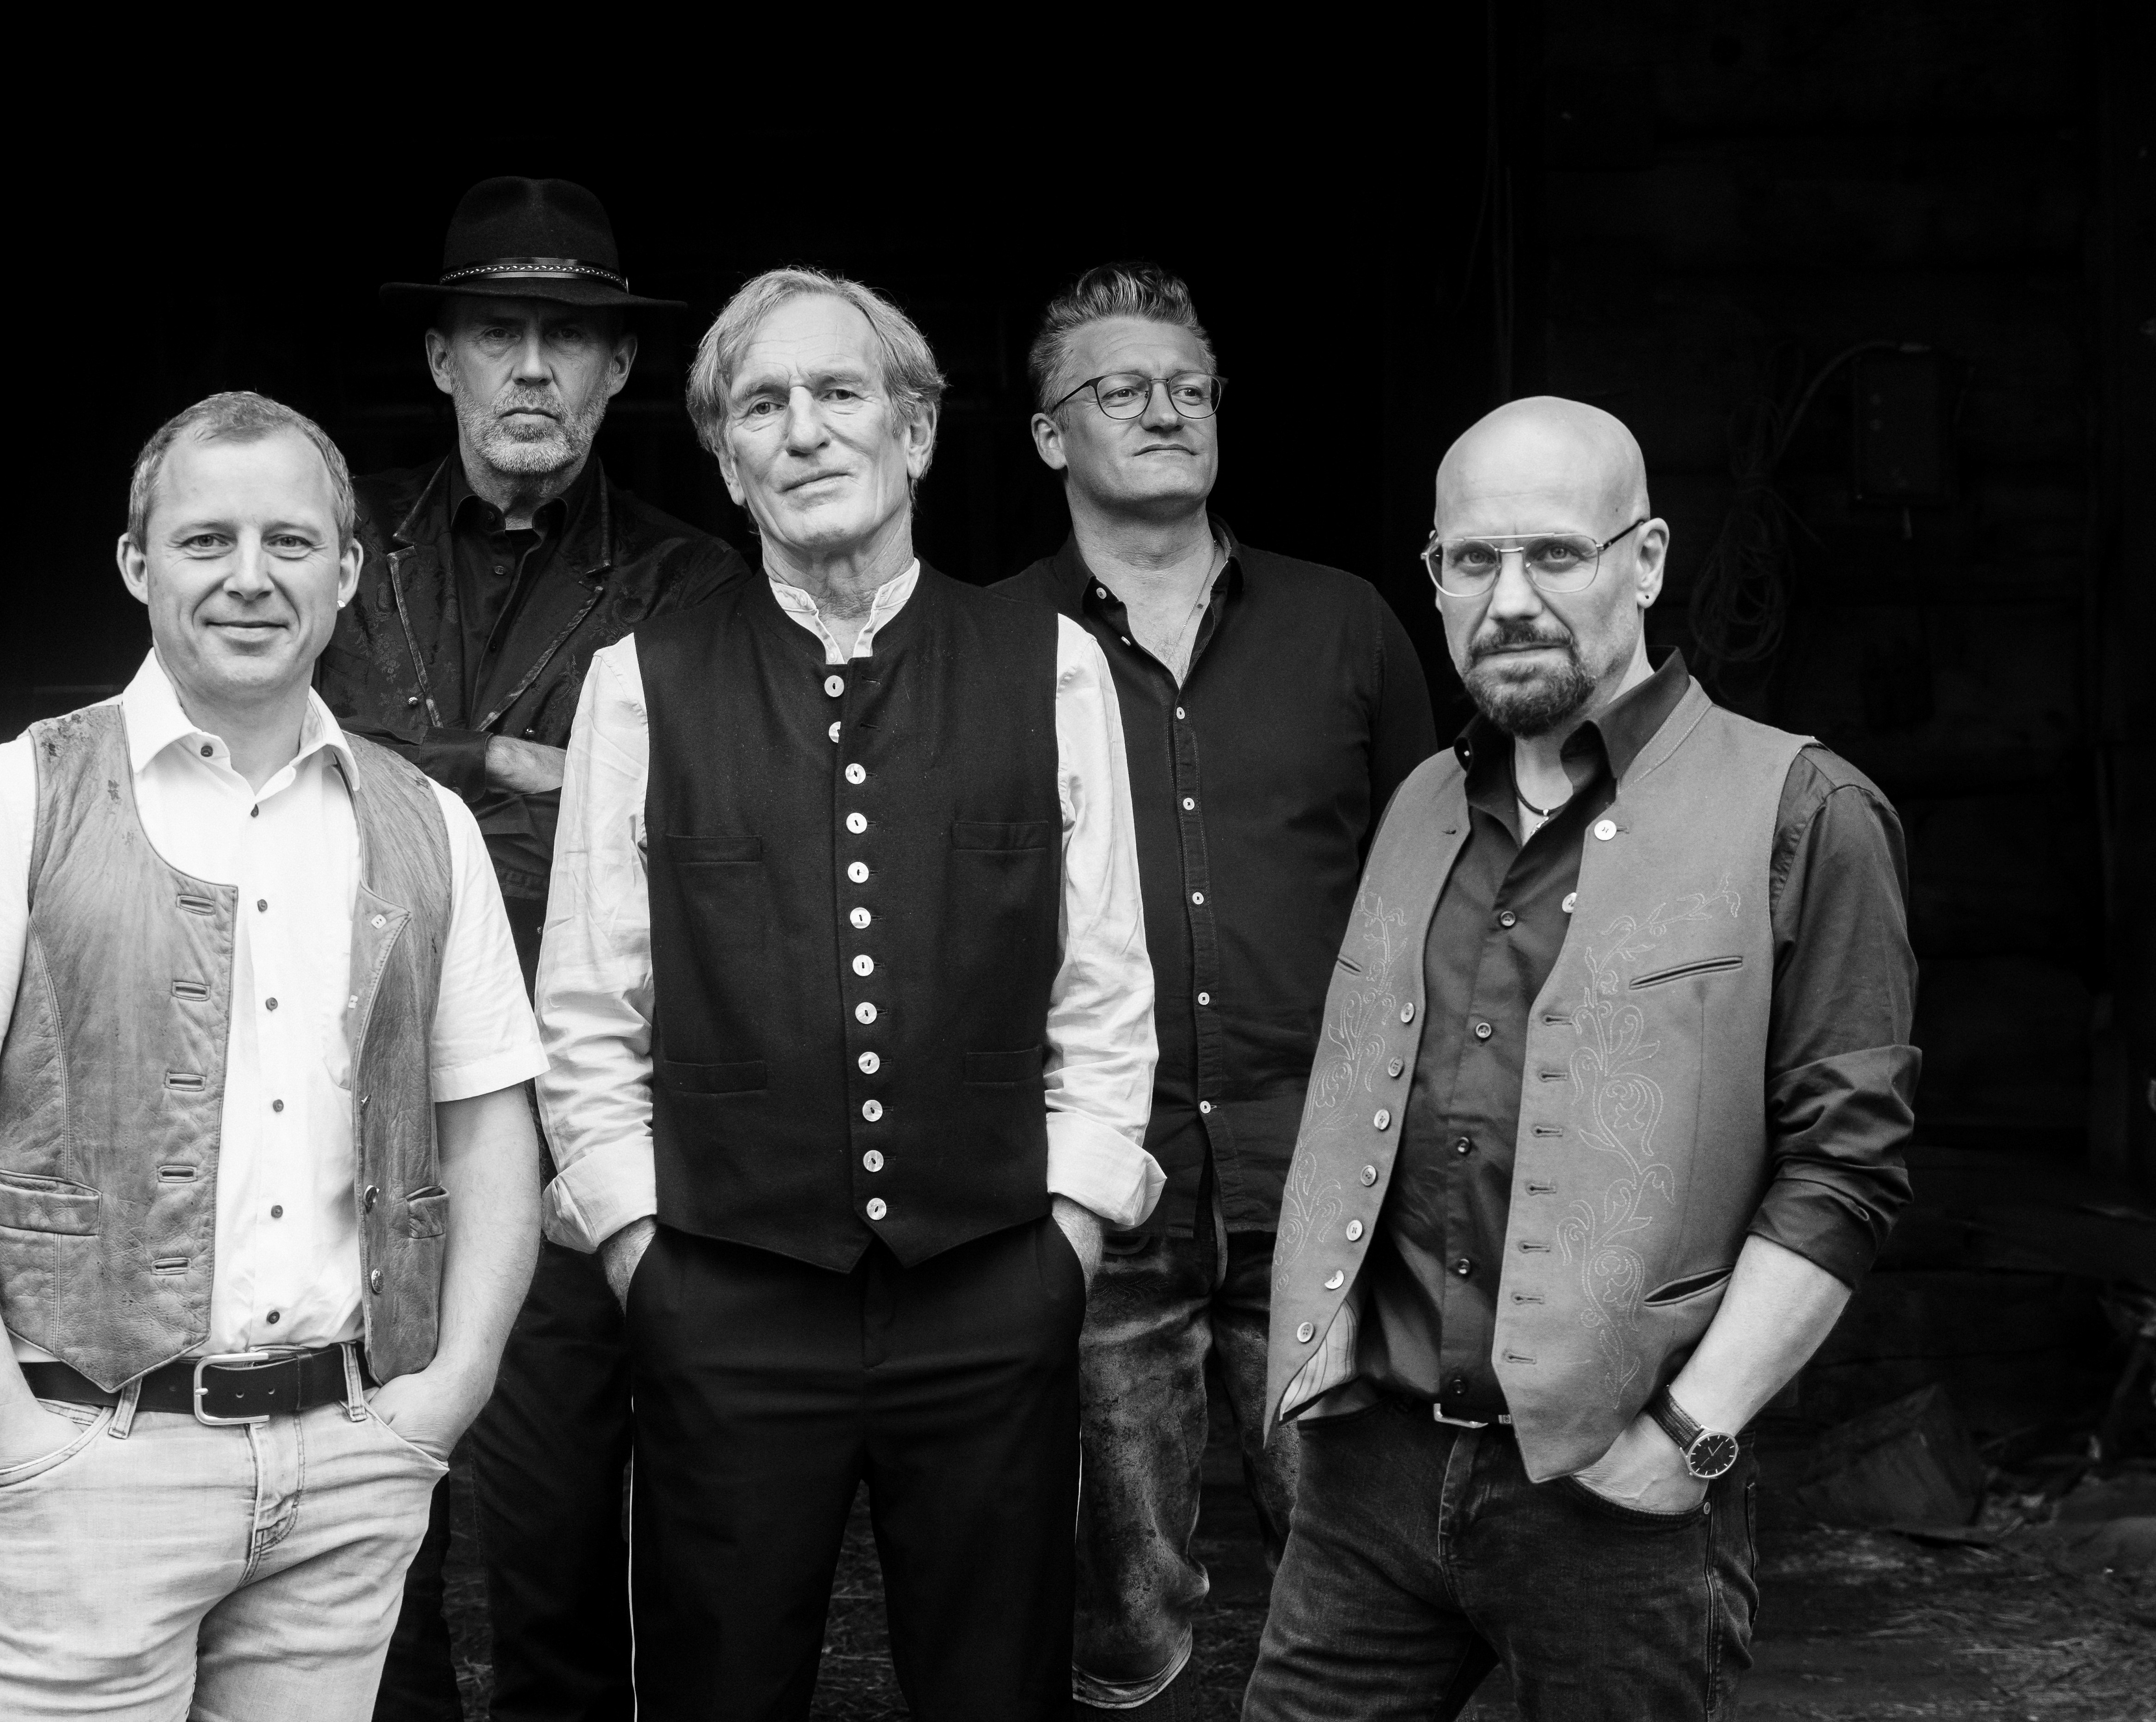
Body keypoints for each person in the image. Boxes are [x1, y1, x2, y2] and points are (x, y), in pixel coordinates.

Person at [0, 391, 545, 1718]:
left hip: (348, 1463)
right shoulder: (6, 796)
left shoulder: (427, 822)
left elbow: (489, 1124)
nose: (250, 576)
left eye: (291, 541)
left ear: (348, 572)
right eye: (206, 540)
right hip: (89, 1462)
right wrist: (5, 1431)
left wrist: (444, 1399)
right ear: (136, 565)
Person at [536, 267, 1161, 1720]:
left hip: (991, 1287)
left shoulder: (1053, 667)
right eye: (763, 406)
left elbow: (1105, 984)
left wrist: (1068, 1235)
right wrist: (639, 1252)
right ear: (727, 461)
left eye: (839, 393)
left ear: (916, 432)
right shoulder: (640, 681)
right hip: (725, 1299)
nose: (805, 430)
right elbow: (590, 1005)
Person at [1245, 397, 1918, 1720]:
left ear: (1647, 561)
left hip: (1620, 1493)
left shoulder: (1805, 809)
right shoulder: (1421, 801)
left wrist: (1688, 1436)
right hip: (1370, 1480)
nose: (1510, 602)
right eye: (1472, 561)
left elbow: (1846, 1170)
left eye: (1556, 553)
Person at [316, 176, 749, 1722]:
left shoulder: (693, 584)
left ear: (619, 370)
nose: (531, 369)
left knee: (559, 1529)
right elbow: (268, 779)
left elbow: (681, 839)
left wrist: (394, 775)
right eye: (497, 333)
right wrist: (500, 766)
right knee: (354, 1542)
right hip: (325, 1093)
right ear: (441, 359)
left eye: (568, 340)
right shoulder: (328, 545)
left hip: (561, 1107)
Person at [995, 262, 1434, 1718]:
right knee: (1120, 1606)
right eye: (1122, 389)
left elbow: (1434, 887)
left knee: (1354, 1562)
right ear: (1051, 434)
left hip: (1324, 1172)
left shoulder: (1349, 625)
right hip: (1097, 1173)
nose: (1165, 410)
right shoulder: (990, 647)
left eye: (1190, 387)